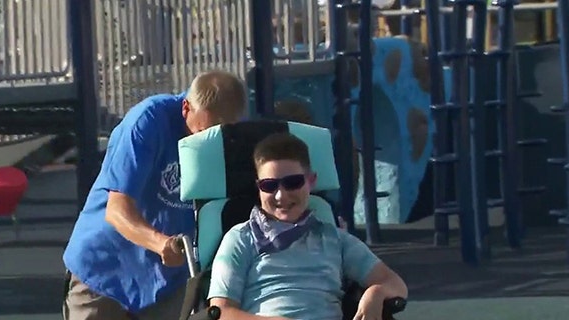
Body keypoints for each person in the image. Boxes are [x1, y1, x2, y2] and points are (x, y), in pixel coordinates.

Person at [62, 70, 247, 320]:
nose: (206, 142)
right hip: (107, 268)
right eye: (201, 132)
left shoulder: (235, 136)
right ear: (186, 109)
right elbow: (117, 210)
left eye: (217, 135)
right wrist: (161, 243)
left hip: (166, 281)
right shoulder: (147, 121)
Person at [207, 133, 408, 320]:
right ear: (258, 187)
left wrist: (376, 292)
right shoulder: (241, 238)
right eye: (269, 185)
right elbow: (220, 313)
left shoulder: (334, 239)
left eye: (292, 182)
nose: (280, 195)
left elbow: (395, 284)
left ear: (311, 181)